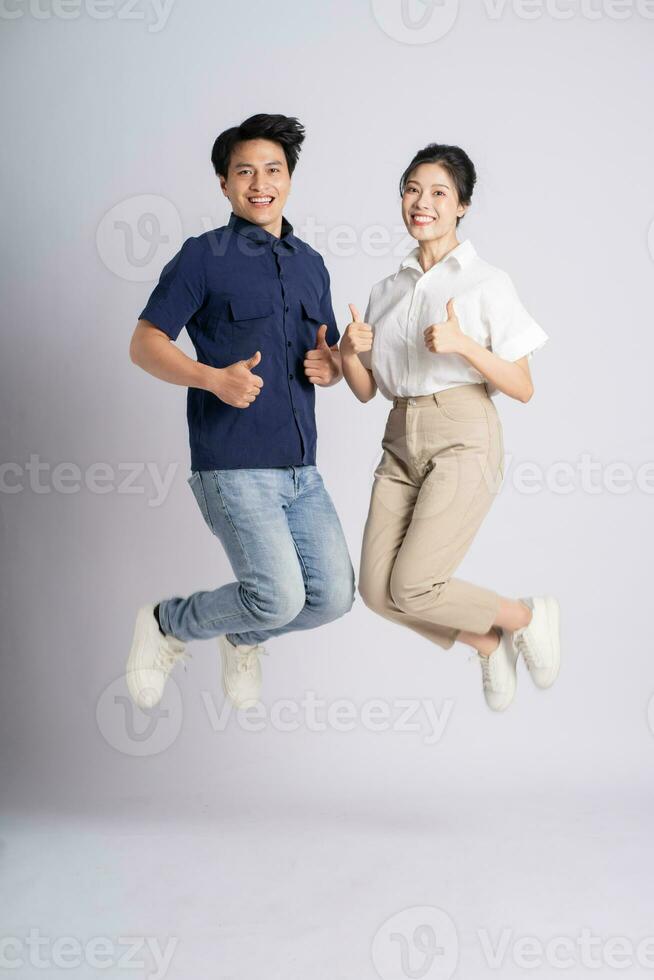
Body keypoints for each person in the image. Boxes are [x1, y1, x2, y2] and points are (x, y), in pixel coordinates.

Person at [126, 113, 355, 711]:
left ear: (290, 179)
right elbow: (144, 342)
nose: (260, 183)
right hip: (233, 463)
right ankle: (167, 622)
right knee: (278, 596)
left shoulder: (311, 263)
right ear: (224, 184)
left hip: (303, 468)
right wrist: (210, 378)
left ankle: (242, 636)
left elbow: (322, 357)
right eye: (244, 171)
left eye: (273, 170)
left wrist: (331, 365)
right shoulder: (203, 256)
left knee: (332, 597)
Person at [340, 142, 560, 712]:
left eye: (439, 193)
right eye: (412, 189)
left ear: (462, 205)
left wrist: (464, 345)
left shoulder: (487, 281)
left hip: (464, 433)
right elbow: (368, 391)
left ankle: (526, 616)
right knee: (375, 591)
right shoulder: (386, 289)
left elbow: (523, 385)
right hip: (398, 437)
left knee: (413, 586)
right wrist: (346, 354)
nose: (422, 202)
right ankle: (488, 639)